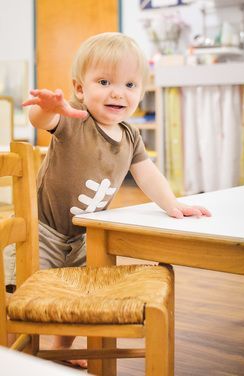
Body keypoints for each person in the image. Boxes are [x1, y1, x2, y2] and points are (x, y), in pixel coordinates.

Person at [22, 32, 211, 367]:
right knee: (25, 296)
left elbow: (147, 174)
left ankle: (61, 352)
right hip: (45, 230)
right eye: (105, 81)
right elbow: (44, 120)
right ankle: (17, 354)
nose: (117, 92)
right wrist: (45, 109)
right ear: (80, 89)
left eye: (129, 85)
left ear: (140, 91)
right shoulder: (75, 119)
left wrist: (172, 204)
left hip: (86, 235)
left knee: (79, 299)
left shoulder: (130, 136)